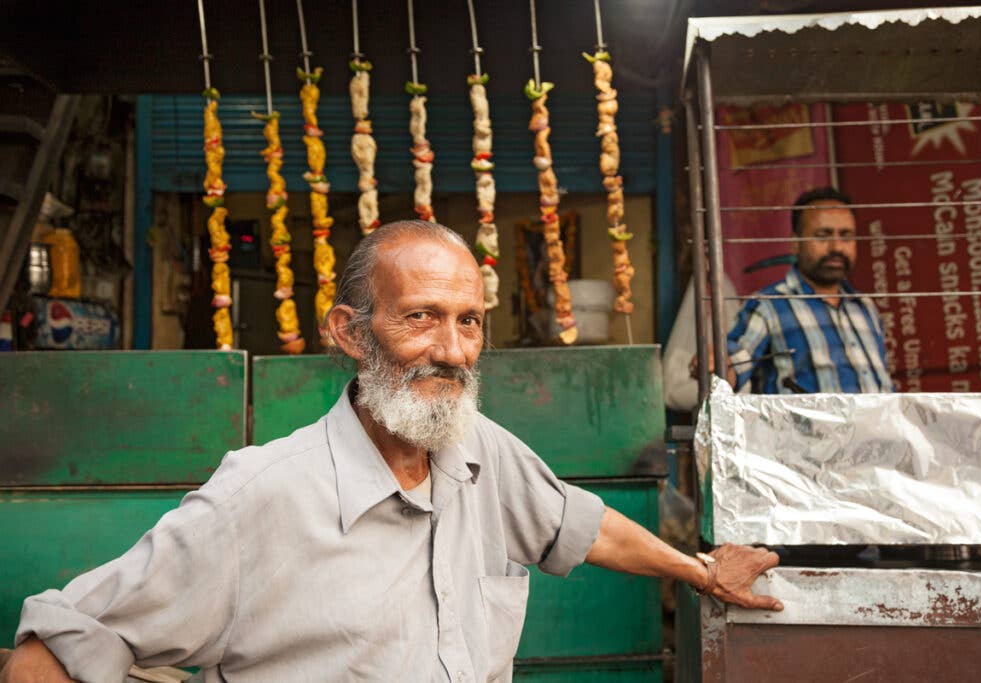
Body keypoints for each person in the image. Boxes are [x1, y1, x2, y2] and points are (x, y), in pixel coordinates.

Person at [2, 221, 781, 683]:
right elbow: (53, 641)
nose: (451, 350)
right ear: (349, 331)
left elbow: (582, 525)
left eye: (469, 322)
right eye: (421, 318)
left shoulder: (481, 451)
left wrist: (702, 571)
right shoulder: (259, 496)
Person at [694, 187, 892, 394]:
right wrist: (717, 365)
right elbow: (735, 362)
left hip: (879, 426)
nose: (837, 247)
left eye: (846, 236)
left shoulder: (865, 307)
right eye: (823, 235)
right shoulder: (769, 305)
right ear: (795, 243)